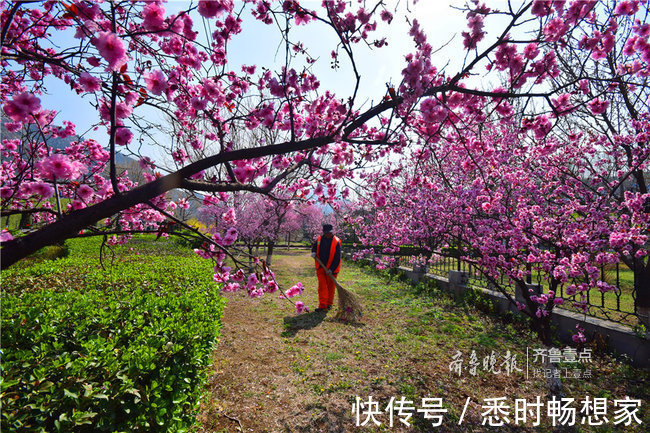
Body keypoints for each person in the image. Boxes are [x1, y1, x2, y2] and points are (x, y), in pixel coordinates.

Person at [311, 223, 341, 312]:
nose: (328, 234)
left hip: (332, 269)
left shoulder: (336, 241)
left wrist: (331, 269)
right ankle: (322, 305)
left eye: (330, 232)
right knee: (322, 286)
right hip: (321, 267)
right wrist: (313, 252)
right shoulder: (320, 239)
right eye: (326, 233)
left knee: (331, 287)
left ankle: (329, 304)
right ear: (324, 232)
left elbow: (337, 258)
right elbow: (314, 247)